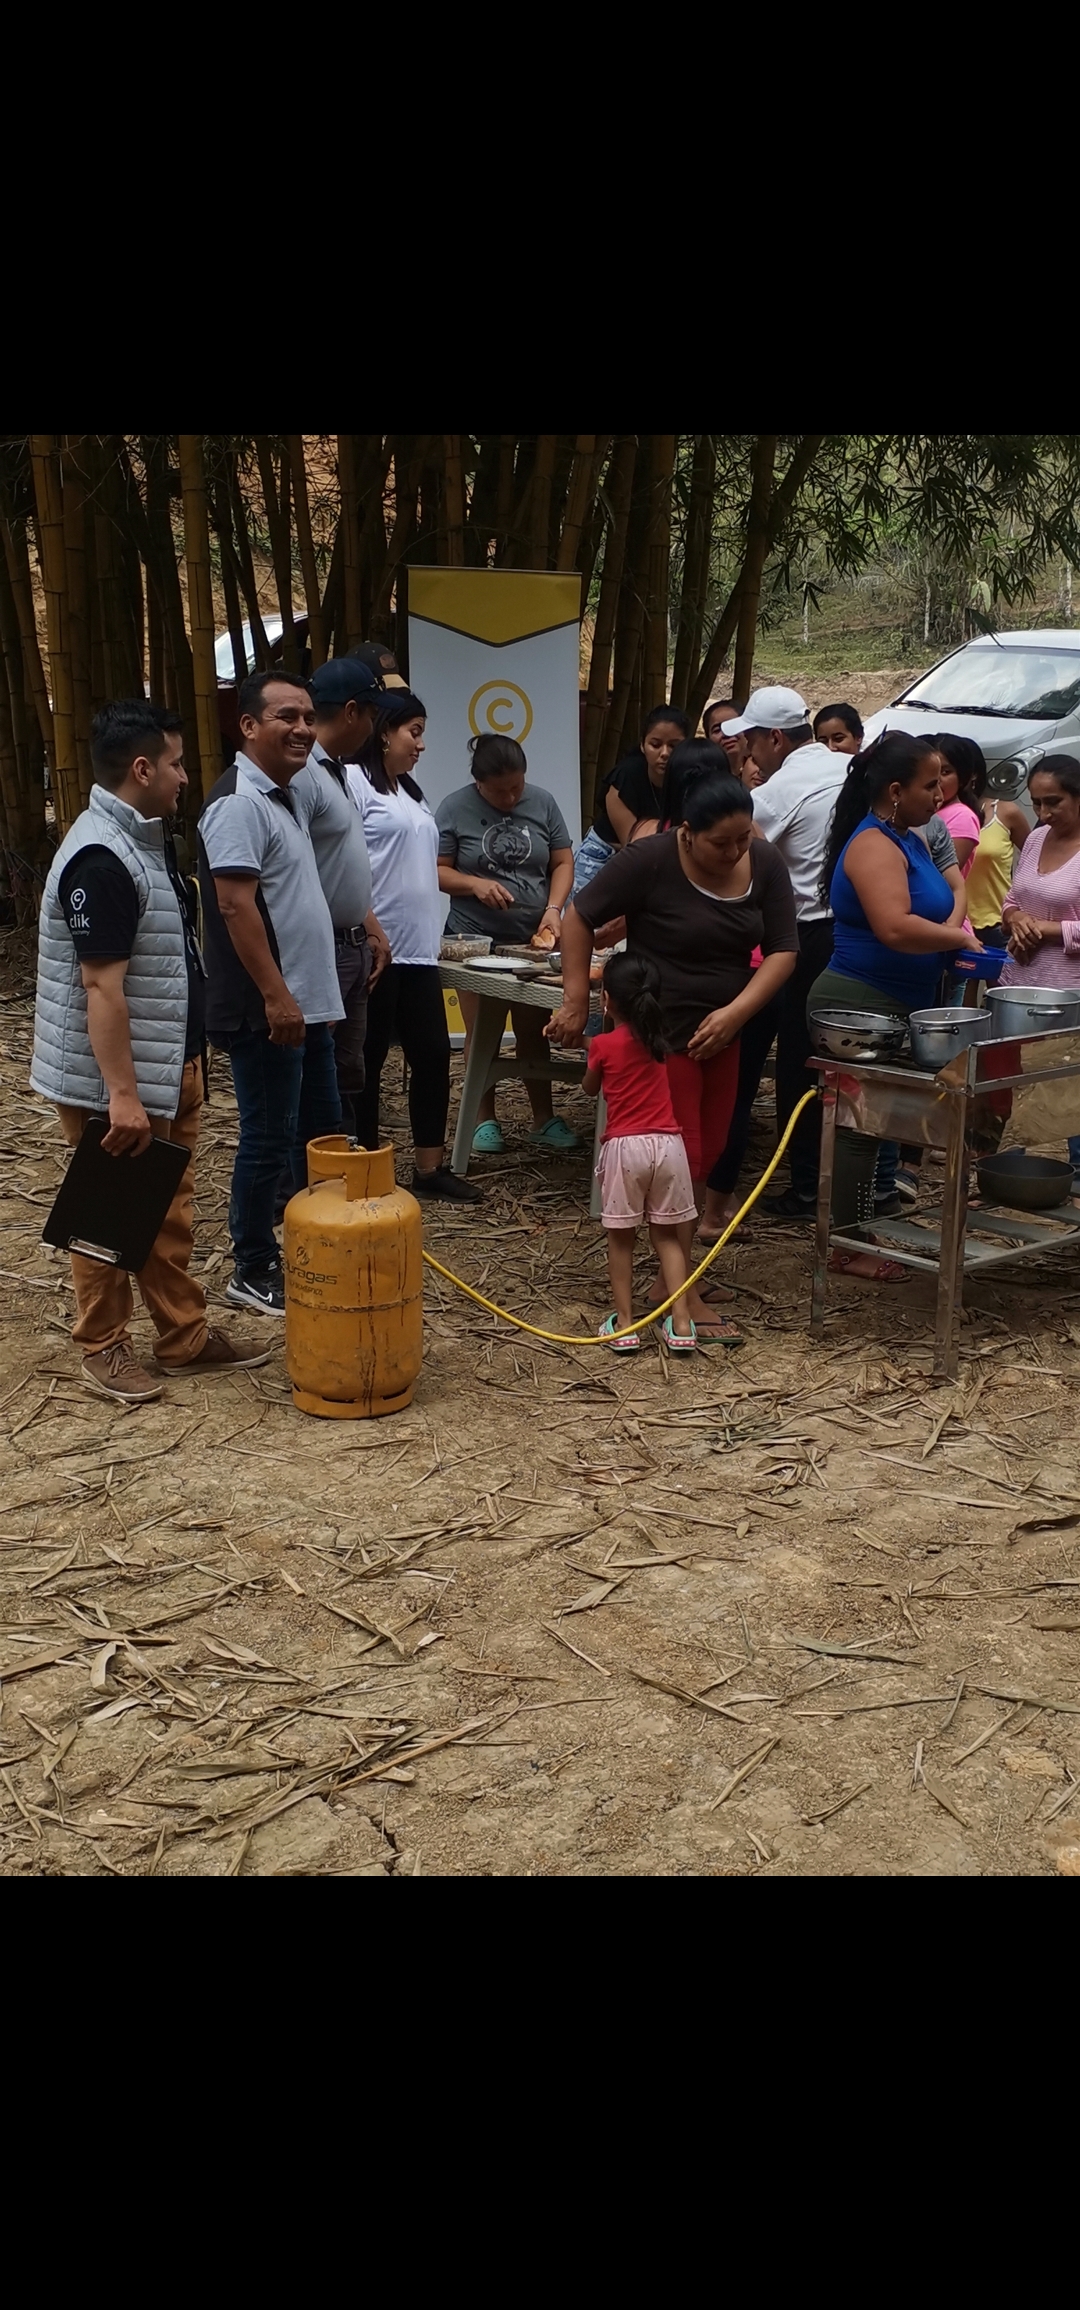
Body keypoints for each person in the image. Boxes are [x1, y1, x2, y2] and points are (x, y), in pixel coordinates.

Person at [31, 701, 270, 1400]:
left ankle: (183, 1335)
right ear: (142, 769)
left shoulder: (142, 839)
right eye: (175, 764)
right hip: (119, 1078)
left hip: (165, 1061)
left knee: (165, 1208)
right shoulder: (101, 859)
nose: (184, 777)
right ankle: (103, 1344)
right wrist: (122, 1095)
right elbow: (100, 987)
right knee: (107, 1210)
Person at [549, 772, 798, 1343]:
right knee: (679, 1156)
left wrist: (736, 1013)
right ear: (687, 833)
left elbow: (784, 950)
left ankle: (675, 1278)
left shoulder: (764, 863)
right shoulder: (651, 859)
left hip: (722, 1032)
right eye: (721, 842)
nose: (735, 852)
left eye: (743, 839)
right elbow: (580, 915)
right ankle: (676, 1294)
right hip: (659, 1040)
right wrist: (576, 999)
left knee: (709, 1151)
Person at [198, 670, 345, 1316]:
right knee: (268, 1138)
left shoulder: (284, 797)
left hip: (305, 1006)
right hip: (267, 1011)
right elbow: (235, 907)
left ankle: (322, 1248)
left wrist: (312, 999)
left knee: (321, 1134)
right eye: (287, 716)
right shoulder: (238, 802)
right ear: (248, 725)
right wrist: (277, 996)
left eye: (309, 717)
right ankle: (253, 1265)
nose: (303, 729)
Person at [809, 732, 980, 1274]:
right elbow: (895, 927)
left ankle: (869, 1225)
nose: (940, 795)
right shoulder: (873, 844)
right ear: (895, 790)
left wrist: (953, 934)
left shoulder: (909, 838)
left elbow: (945, 902)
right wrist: (957, 939)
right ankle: (849, 1244)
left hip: (902, 999)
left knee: (883, 1123)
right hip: (861, 999)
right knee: (860, 1126)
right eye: (929, 785)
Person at [715, 686, 849, 1221]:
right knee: (830, 1059)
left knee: (792, 1060)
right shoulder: (848, 767)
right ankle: (835, 1182)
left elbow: (732, 852)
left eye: (750, 739)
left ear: (774, 738)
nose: (747, 752)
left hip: (800, 933)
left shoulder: (777, 791)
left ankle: (804, 1188)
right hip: (849, 929)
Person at [347, 691, 481, 1201]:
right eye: (414, 731)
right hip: (377, 947)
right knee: (368, 1059)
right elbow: (344, 864)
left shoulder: (410, 791)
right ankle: (363, 1168)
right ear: (384, 730)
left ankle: (428, 1168)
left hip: (420, 951)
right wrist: (369, 926)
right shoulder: (354, 783)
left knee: (433, 1055)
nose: (420, 744)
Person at [436, 732, 578, 1153]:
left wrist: (554, 908)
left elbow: (562, 860)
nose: (511, 797)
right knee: (483, 1031)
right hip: (475, 942)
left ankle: (543, 1117)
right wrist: (474, 885)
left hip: (532, 940)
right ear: (478, 783)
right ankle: (483, 1120)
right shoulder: (454, 808)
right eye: (499, 791)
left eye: (517, 787)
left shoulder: (543, 802)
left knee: (534, 1029)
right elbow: (436, 869)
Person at [295, 655, 392, 1133]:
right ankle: (314, 1168)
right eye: (373, 715)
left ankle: (343, 1158)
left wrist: (369, 922)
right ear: (352, 711)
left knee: (348, 1073)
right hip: (325, 944)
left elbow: (339, 862)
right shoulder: (303, 774)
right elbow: (297, 867)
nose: (375, 728)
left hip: (351, 940)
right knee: (321, 1073)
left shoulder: (338, 770)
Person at [583, 953, 698, 1354]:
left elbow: (589, 1087)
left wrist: (590, 1047)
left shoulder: (602, 1045)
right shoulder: (659, 1043)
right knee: (666, 1236)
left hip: (625, 1149)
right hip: (668, 1147)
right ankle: (680, 1324)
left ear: (606, 999)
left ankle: (625, 1324)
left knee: (621, 1240)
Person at [1000, 757, 1080, 1189]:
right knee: (1010, 1081)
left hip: (1071, 992)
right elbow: (1013, 898)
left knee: (1071, 1090)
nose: (1044, 813)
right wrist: (1016, 920)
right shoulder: (1035, 839)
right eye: (1036, 803)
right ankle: (1004, 1175)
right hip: (1021, 983)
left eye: (1054, 802)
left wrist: (1047, 930)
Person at [573, 704, 691, 896]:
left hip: (659, 865)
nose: (664, 753)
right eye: (655, 744)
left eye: (673, 746)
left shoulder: (689, 778)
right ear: (643, 745)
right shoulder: (625, 777)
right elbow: (635, 849)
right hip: (602, 861)